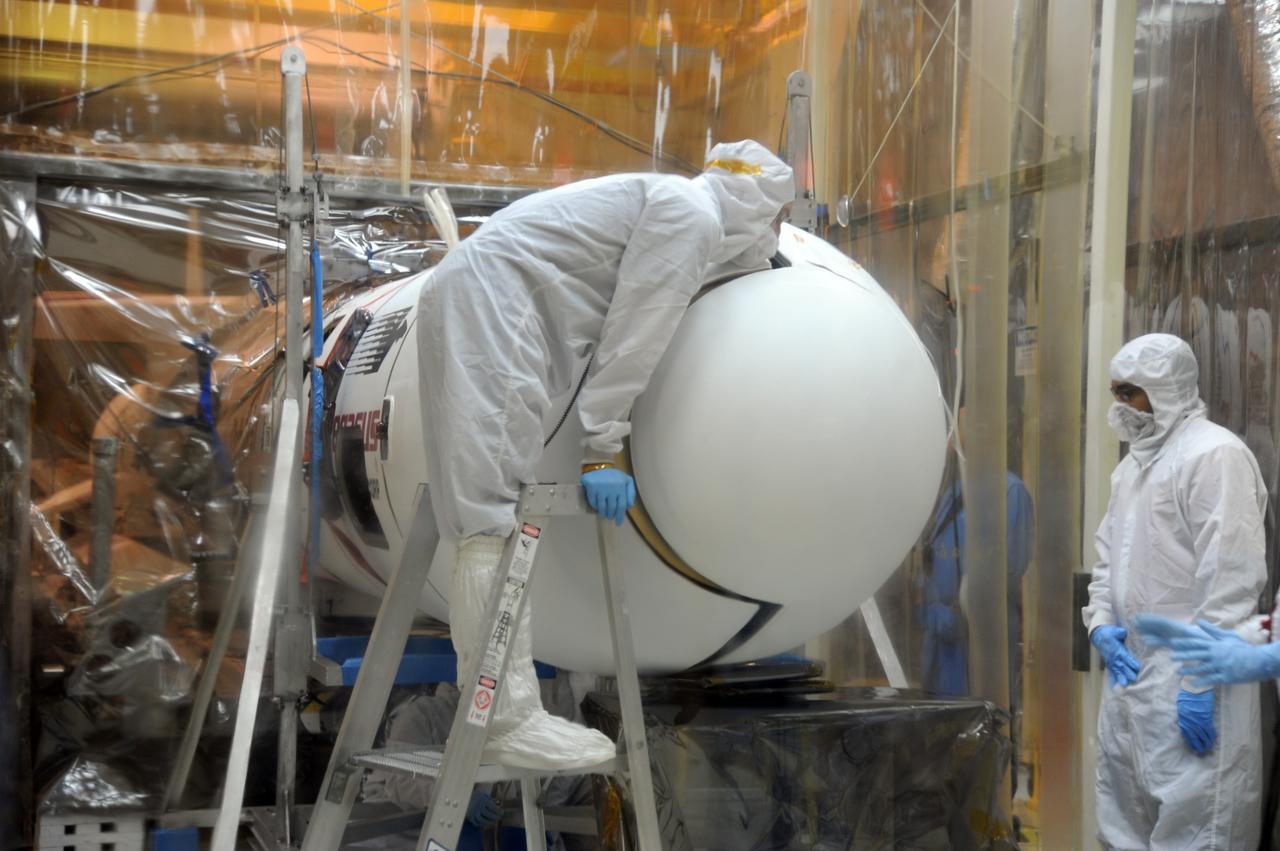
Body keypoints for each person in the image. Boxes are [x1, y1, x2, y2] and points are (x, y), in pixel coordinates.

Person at [416, 140, 794, 770]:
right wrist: (602, 446)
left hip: (472, 293)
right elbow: (637, 331)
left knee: (481, 516)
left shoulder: (674, 202)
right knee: (488, 517)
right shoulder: (690, 216)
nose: (776, 232)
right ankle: (505, 720)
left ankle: (497, 716)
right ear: (755, 203)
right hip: (496, 307)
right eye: (777, 217)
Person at [1081, 333, 1267, 850]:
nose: (1120, 406)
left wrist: (1199, 682)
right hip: (1132, 681)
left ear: (1166, 390)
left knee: (1201, 826)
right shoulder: (1130, 469)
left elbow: (1230, 577)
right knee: (1123, 823)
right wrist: (1100, 625)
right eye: (1116, 393)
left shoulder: (1214, 455)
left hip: (1192, 684)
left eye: (1131, 393)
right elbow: (1107, 559)